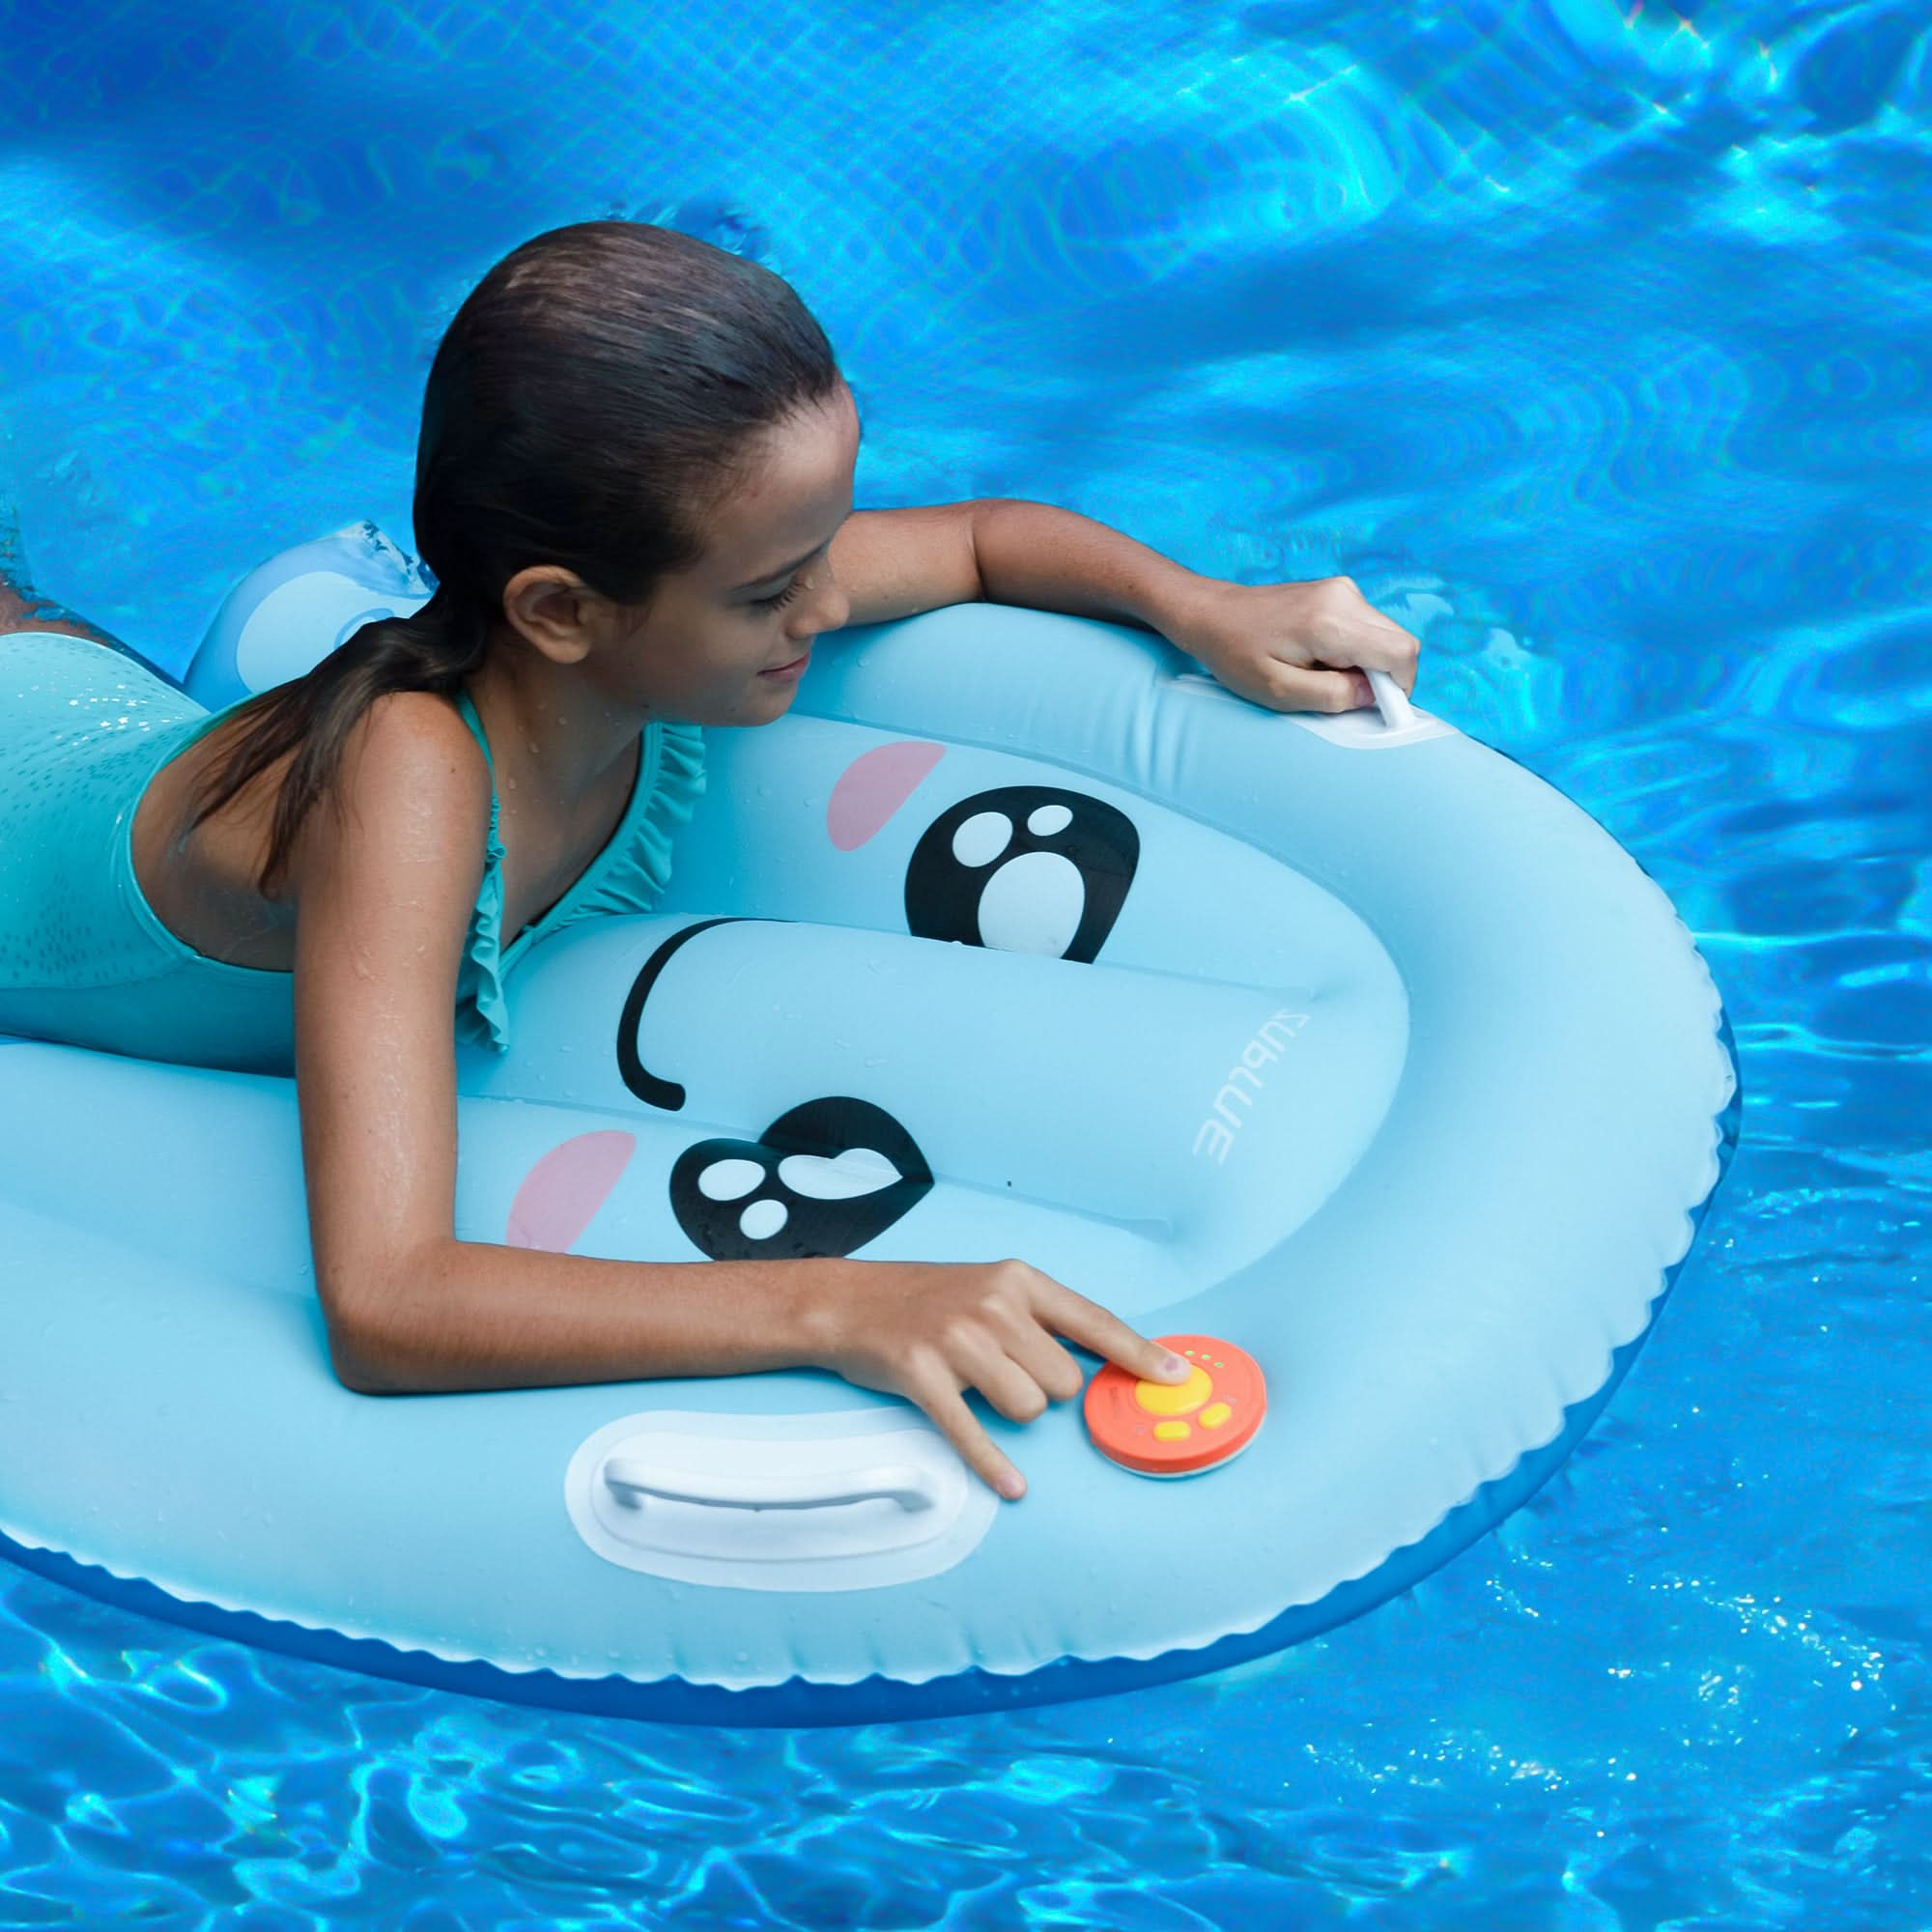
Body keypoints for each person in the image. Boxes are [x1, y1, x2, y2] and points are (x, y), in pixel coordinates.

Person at [0, 220, 1420, 1501]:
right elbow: (386, 1304)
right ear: (559, 609)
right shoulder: (415, 785)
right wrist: (840, 1305)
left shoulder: (696, 603)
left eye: (814, 551)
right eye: (769, 590)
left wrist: (1206, 606)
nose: (827, 599)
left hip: (68, 699)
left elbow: (987, 540)